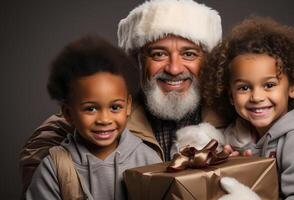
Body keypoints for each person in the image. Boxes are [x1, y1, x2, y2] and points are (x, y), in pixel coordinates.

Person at [19, 0, 225, 194]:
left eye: (189, 54)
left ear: (207, 61)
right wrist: (61, 176)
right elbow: (42, 144)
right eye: (158, 54)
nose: (174, 68)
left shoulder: (229, 110)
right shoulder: (114, 104)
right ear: (137, 60)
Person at [201, 16, 294, 199]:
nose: (257, 97)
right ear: (231, 95)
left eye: (269, 85)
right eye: (244, 88)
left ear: (293, 87)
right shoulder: (234, 136)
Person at [25, 36, 162, 200]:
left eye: (115, 107)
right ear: (68, 113)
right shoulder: (53, 168)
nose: (104, 119)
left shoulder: (149, 160)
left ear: (128, 106)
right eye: (90, 109)